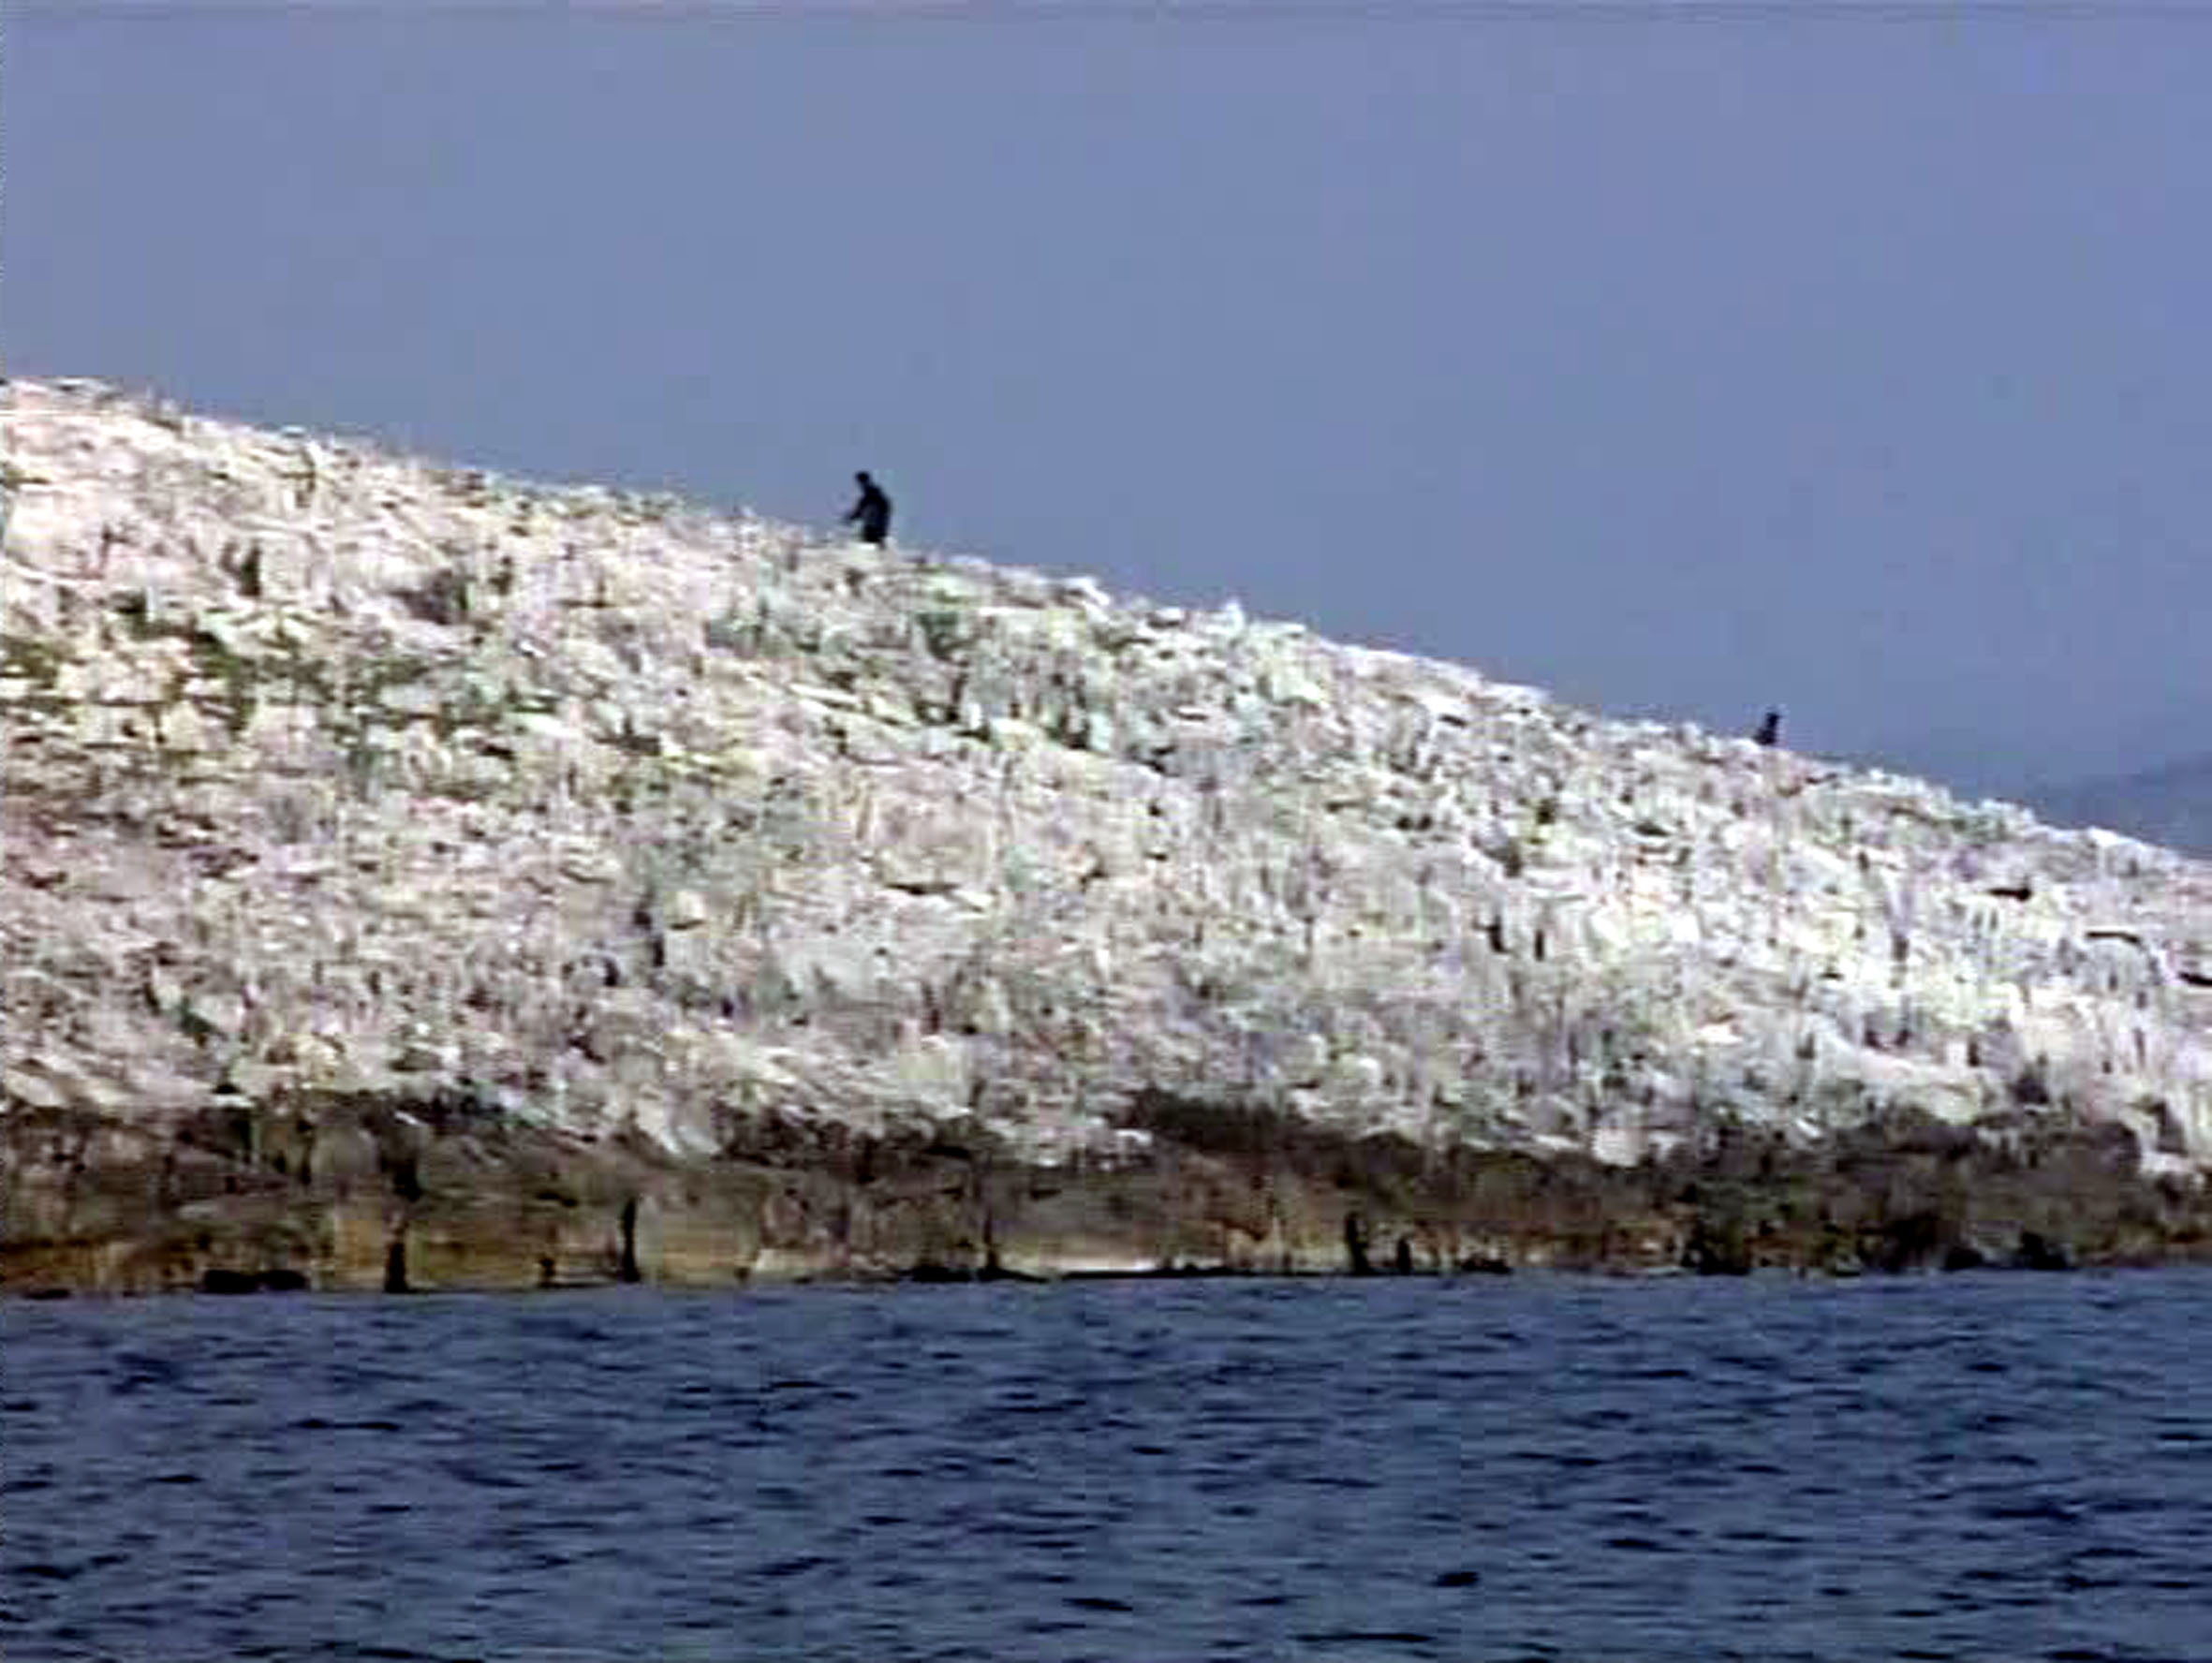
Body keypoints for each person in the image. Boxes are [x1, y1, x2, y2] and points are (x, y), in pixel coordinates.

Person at [845, 470, 892, 547]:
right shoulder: (871, 493)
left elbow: (861, 508)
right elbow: (861, 508)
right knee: (872, 541)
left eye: (860, 482)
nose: (860, 485)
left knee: (872, 540)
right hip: (875, 523)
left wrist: (852, 517)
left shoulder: (872, 493)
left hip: (876, 524)